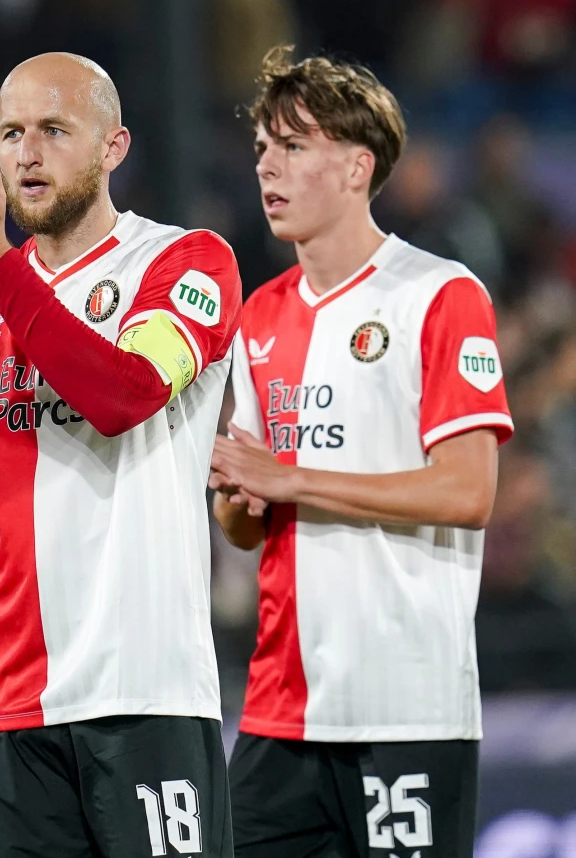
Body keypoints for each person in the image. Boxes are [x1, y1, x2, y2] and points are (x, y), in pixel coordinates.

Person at [0, 53, 242, 856]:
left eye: (53, 130)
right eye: (10, 133)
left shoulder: (182, 263)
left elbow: (123, 394)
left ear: (114, 147)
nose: (26, 153)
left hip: (144, 689)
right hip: (9, 700)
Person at [210, 46, 512, 858]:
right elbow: (246, 525)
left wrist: (291, 477)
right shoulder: (256, 318)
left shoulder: (440, 296)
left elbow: (467, 490)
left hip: (405, 707)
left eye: (293, 146)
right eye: (263, 150)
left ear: (355, 167)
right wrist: (238, 502)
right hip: (281, 708)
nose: (267, 166)